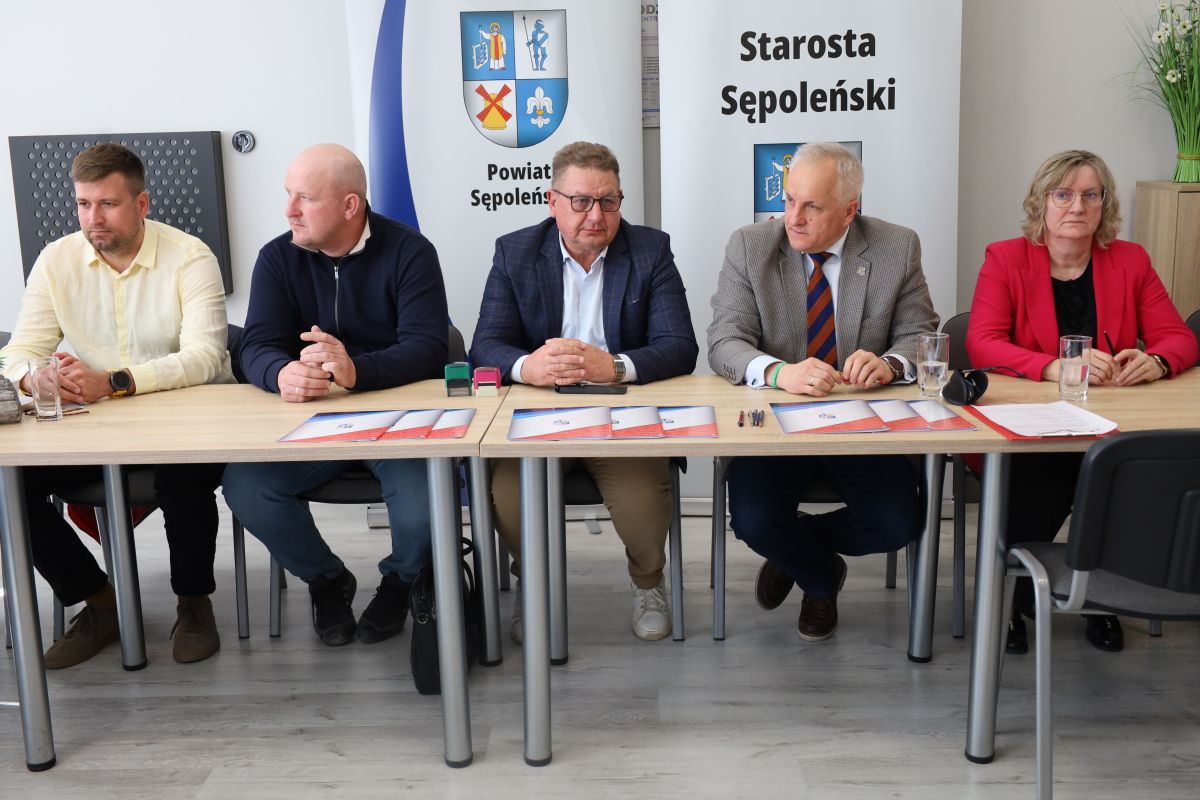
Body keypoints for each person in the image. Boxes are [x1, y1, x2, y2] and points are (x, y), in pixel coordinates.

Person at [0, 142, 231, 668]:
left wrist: (115, 381)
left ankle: (194, 601)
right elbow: (17, 350)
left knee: (184, 476)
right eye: (83, 204)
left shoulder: (190, 257)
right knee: (6, 484)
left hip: (183, 422)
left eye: (107, 204)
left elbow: (204, 357)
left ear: (141, 204)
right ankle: (99, 600)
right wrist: (34, 377)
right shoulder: (56, 260)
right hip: (97, 430)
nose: (93, 218)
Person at [967, 149, 1199, 654]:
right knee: (1038, 482)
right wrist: (1054, 366)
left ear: (1104, 204)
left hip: (1112, 423)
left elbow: (1180, 338)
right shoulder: (1006, 258)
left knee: (1124, 478)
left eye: (1090, 195)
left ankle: (1102, 599)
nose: (1077, 206)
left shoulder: (1130, 260)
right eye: (1063, 195)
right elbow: (982, 342)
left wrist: (1157, 361)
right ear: (1041, 202)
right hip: (1031, 427)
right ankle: (1010, 599)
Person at [708, 142, 937, 642]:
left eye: (811, 206)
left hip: (860, 424)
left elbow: (920, 338)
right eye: (789, 201)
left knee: (896, 523)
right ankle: (820, 576)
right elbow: (724, 343)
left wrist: (889, 363)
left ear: (850, 210)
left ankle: (796, 552)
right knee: (753, 520)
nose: (793, 218)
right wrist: (778, 373)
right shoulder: (750, 246)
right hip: (776, 426)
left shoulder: (896, 247)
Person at [222, 144, 449, 647]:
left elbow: (430, 346)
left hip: (397, 420)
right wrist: (280, 373)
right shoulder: (277, 257)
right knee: (246, 486)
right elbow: (255, 345)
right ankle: (326, 579)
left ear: (350, 205)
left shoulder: (410, 251)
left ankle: (402, 581)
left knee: (422, 500)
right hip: (311, 421)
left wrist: (356, 371)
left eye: (305, 198)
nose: (289, 210)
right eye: (288, 194)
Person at [471, 141, 698, 642]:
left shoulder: (650, 250)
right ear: (552, 202)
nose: (596, 215)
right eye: (580, 201)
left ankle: (648, 583)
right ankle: (532, 582)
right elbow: (484, 345)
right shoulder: (515, 252)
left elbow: (680, 346)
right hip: (538, 415)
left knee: (642, 506)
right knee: (507, 496)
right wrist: (528, 366)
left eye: (608, 201)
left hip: (620, 416)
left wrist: (613, 366)